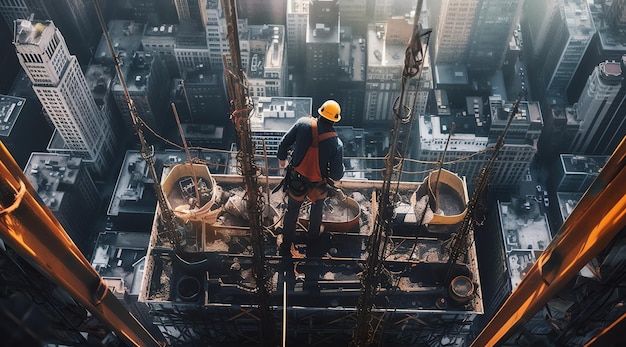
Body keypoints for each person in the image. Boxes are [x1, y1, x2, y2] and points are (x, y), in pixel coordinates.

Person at [277, 99, 344, 259]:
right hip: (317, 185)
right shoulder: (336, 144)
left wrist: (282, 160)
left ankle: (286, 243)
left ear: (320, 113)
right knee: (317, 208)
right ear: (335, 120)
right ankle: (312, 237)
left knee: (292, 211)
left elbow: (284, 144)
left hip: (297, 180)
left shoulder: (303, 124)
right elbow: (336, 175)